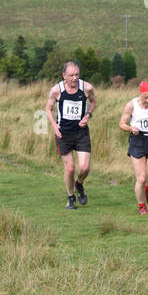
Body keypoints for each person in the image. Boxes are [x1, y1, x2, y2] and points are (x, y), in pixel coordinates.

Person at [46, 61, 97, 210]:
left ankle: (79, 184)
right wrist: (54, 125)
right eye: (71, 75)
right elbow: (48, 108)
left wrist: (88, 115)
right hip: (64, 133)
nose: (75, 78)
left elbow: (93, 102)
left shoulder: (87, 88)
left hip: (81, 132)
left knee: (85, 168)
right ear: (64, 76)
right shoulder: (56, 90)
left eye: (77, 75)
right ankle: (70, 198)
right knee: (70, 169)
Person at [119, 81, 148, 215]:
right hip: (137, 140)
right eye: (145, 97)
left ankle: (147, 189)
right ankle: (142, 207)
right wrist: (130, 128)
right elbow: (121, 123)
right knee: (141, 178)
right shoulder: (131, 105)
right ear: (140, 94)